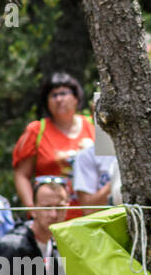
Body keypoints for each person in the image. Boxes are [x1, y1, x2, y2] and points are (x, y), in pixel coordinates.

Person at [12, 72, 96, 219]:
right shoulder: (37, 130)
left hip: (93, 215)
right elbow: (21, 175)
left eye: (63, 93)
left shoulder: (93, 125)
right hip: (51, 219)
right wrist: (32, 209)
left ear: (76, 97)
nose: (59, 99)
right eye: (53, 95)